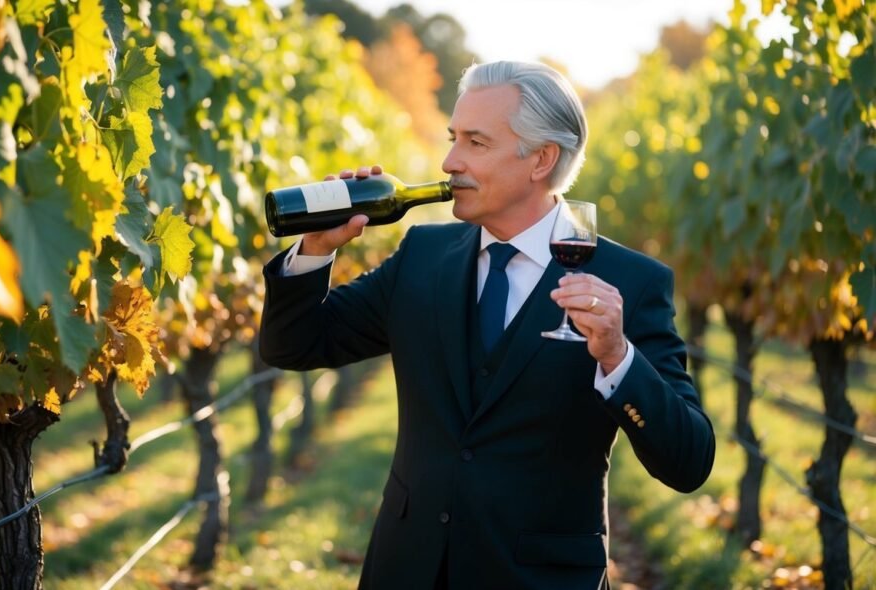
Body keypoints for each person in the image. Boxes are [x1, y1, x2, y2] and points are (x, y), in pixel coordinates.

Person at [259, 61, 715, 590]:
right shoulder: (421, 256)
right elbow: (293, 345)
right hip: (406, 572)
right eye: (454, 138)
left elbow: (689, 462)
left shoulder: (630, 283)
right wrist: (316, 250)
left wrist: (618, 356)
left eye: (476, 143)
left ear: (541, 159)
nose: (450, 161)